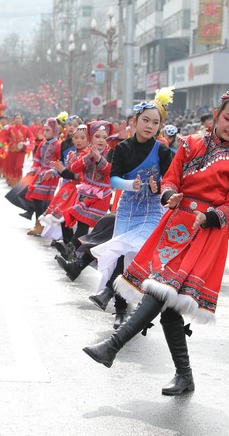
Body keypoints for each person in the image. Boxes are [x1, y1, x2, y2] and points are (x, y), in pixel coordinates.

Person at [83, 82, 229, 396]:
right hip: (174, 224)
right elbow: (171, 177)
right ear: (216, 115)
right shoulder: (190, 143)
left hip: (205, 234)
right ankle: (185, 376)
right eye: (228, 118)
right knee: (168, 304)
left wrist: (210, 217)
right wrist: (169, 193)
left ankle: (113, 346)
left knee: (163, 291)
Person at [86, 89, 174, 327]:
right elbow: (114, 180)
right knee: (125, 255)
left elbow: (169, 182)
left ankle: (108, 294)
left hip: (152, 210)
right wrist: (131, 184)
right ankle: (121, 308)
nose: (150, 126)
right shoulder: (123, 148)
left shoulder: (163, 151)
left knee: (139, 250)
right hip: (128, 208)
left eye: (155, 123)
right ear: (135, 122)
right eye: (146, 120)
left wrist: (158, 188)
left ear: (159, 127)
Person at [54, 121, 113, 281]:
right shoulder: (86, 153)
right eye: (97, 136)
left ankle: (71, 248)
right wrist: (89, 157)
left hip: (102, 195)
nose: (101, 140)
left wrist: (99, 158)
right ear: (91, 138)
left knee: (84, 222)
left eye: (104, 137)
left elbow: (109, 170)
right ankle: (72, 250)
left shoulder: (111, 152)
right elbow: (73, 168)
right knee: (77, 218)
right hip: (87, 193)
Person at [22, 117, 62, 236]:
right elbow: (37, 159)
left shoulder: (58, 145)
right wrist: (33, 169)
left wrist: (53, 170)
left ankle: (45, 226)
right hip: (40, 175)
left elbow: (60, 161)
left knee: (47, 203)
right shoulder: (42, 144)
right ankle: (38, 224)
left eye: (48, 130)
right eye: (44, 130)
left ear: (54, 131)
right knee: (37, 200)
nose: (45, 133)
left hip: (51, 176)